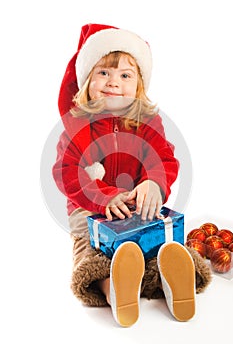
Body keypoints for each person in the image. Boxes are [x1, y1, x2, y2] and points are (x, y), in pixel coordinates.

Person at [52, 23, 211, 327]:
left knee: (155, 242)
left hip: (138, 206)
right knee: (90, 252)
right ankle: (114, 288)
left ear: (138, 85)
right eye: (103, 73)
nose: (113, 82)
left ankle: (173, 275)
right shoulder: (77, 126)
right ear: (86, 79)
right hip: (88, 208)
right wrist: (102, 196)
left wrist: (153, 181)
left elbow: (164, 158)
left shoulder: (148, 122)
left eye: (125, 75)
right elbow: (66, 171)